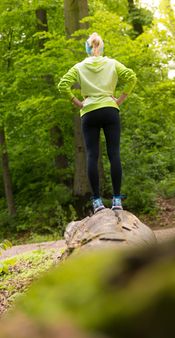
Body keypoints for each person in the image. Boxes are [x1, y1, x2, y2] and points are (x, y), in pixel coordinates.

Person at [58, 32, 137, 213]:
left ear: (87, 49)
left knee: (92, 156)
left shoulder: (79, 67)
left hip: (89, 113)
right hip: (110, 110)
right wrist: (119, 100)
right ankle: (117, 201)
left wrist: (77, 102)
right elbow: (132, 77)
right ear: (101, 48)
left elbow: (62, 85)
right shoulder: (112, 63)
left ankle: (97, 203)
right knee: (114, 154)